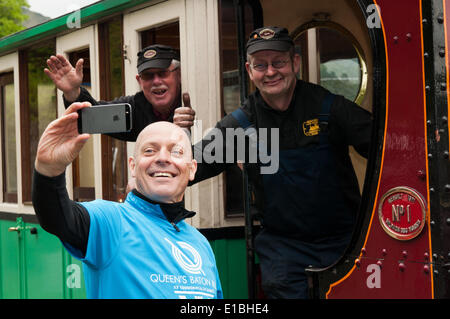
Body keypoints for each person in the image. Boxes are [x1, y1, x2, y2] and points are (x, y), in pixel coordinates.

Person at [174, 26, 372, 298]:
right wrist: (174, 137)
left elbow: (387, 149)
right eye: (261, 65)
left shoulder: (329, 108)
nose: (270, 72)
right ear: (249, 69)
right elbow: (186, 168)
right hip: (284, 252)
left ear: (295, 62)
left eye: (278, 62)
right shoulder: (240, 125)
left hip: (346, 244)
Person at [31, 102, 223, 299]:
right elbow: (57, 217)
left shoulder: (201, 244)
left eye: (176, 152)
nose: (163, 158)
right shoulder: (111, 222)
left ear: (192, 169)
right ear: (133, 166)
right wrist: (49, 170)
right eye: (150, 150)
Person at [44, 44, 196, 141]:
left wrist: (189, 128)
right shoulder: (133, 108)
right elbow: (90, 118)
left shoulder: (200, 98)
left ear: (179, 74)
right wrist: (72, 92)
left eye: (163, 73)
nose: (156, 81)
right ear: (139, 81)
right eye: (148, 76)